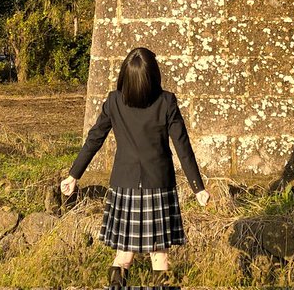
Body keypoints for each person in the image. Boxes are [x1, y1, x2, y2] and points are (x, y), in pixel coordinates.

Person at [60, 46, 210, 287]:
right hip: (158, 187)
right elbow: (183, 147)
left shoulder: (114, 101)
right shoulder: (166, 102)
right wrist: (197, 187)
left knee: (123, 255)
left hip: (124, 186)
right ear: (154, 76)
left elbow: (94, 139)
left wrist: (74, 174)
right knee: (159, 256)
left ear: (124, 76)